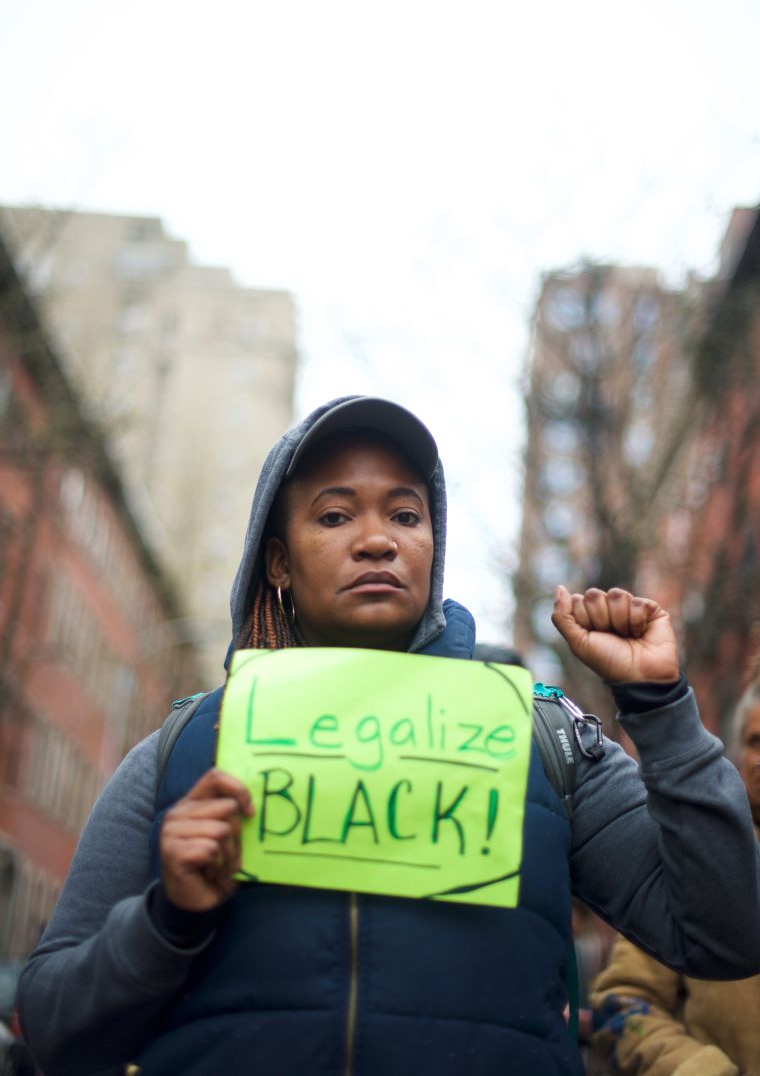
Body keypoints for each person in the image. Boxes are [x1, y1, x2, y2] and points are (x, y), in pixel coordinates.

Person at [16, 396, 760, 1076]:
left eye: (406, 515)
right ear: (278, 560)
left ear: (433, 547)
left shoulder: (544, 739)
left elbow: (725, 935)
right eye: (335, 516)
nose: (377, 539)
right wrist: (164, 922)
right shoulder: (181, 747)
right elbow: (51, 1030)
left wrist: (660, 704)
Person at [587, 682, 760, 1076]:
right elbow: (623, 1002)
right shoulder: (701, 859)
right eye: (756, 741)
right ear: (735, 752)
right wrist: (698, 1069)